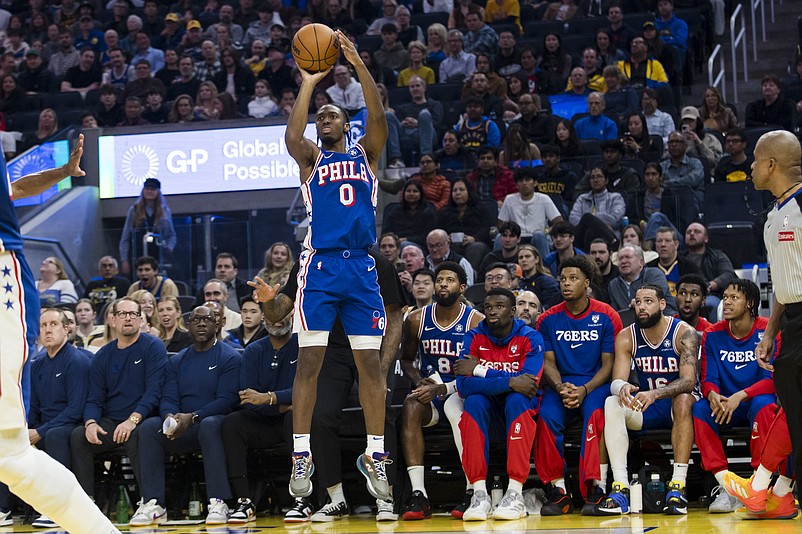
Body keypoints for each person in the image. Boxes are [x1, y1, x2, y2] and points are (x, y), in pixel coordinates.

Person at [252, 29, 391, 503]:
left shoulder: (367, 154)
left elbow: (377, 112)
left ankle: (375, 453)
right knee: (308, 360)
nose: (323, 121)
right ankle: (301, 454)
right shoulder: (310, 159)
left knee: (369, 364)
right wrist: (310, 84)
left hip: (362, 268)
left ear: (347, 125)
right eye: (320, 118)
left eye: (332, 115)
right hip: (321, 267)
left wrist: (356, 62)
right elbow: (291, 135)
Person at [252, 248, 404, 522]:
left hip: (370, 347)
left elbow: (394, 317)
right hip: (330, 350)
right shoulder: (308, 260)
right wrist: (267, 301)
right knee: (319, 416)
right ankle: (335, 497)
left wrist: (383, 366)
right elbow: (277, 313)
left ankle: (386, 496)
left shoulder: (376, 261)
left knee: (383, 412)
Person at [728, 130, 802, 516]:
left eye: (755, 161)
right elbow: (785, 281)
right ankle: (773, 491)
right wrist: (771, 330)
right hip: (792, 321)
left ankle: (762, 486)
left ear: (771, 165)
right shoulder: (774, 216)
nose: (750, 168)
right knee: (792, 408)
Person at [130, 305, 239, 527]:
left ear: (217, 324)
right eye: (196, 319)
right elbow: (168, 397)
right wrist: (170, 418)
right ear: (187, 325)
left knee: (210, 425)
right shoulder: (177, 361)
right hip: (183, 424)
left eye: (207, 320)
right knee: (150, 428)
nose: (201, 323)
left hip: (212, 422)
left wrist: (194, 416)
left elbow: (226, 401)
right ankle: (153, 503)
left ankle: (218, 501)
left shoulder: (230, 357)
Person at [596, 285, 698, 515]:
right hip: (646, 403)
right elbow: (616, 380)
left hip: (676, 406)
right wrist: (622, 387)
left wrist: (655, 394)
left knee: (683, 399)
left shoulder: (684, 333)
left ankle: (678, 487)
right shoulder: (626, 336)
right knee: (612, 402)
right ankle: (620, 488)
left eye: (648, 301)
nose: (641, 307)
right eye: (638, 302)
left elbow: (689, 382)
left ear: (662, 304)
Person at [534, 257, 622, 516]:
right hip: (561, 384)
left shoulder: (607, 315)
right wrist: (561, 387)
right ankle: (558, 490)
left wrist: (584, 390)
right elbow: (547, 361)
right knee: (546, 416)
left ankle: (595, 487)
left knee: (596, 415)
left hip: (595, 384)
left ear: (587, 283)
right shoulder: (548, 319)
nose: (566, 283)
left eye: (573, 278)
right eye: (563, 279)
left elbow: (609, 364)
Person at [399, 262, 483, 520]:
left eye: (450, 280)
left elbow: (476, 368)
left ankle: (472, 490)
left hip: (462, 389)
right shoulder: (416, 319)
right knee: (410, 405)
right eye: (440, 280)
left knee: (462, 411)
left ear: (462, 286)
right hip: (431, 392)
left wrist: (442, 388)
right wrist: (418, 380)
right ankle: (419, 495)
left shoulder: (475, 321)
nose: (443, 284)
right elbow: (406, 360)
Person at [452, 288, 544, 521]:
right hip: (489, 410)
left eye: (499, 307)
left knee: (517, 399)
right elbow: (464, 385)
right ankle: (479, 493)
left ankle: (515, 493)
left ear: (513, 311)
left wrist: (479, 370)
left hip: (519, 409)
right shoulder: (473, 336)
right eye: (488, 307)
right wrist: (511, 381)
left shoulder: (530, 337)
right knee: (473, 402)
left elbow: (529, 384)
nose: (492, 312)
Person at [693, 279, 780, 514]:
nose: (727, 302)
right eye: (725, 297)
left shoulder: (767, 332)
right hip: (725, 405)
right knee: (700, 408)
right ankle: (726, 487)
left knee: (765, 405)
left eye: (734, 298)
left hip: (751, 401)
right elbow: (708, 377)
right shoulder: (712, 334)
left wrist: (740, 396)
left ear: (750, 303)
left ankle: (757, 484)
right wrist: (712, 395)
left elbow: (770, 381)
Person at [220, 310, 298, 524]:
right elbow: (247, 397)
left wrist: (269, 398)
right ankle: (244, 500)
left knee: (297, 418)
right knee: (232, 422)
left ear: (292, 316)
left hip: (295, 423)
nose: (278, 319)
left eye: (283, 313)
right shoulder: (253, 350)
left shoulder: (304, 346)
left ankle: (303, 498)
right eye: (272, 314)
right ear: (264, 319)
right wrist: (280, 404)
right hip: (265, 421)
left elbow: (306, 392)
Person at [26, 308, 92, 528]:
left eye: (53, 324)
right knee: (10, 440)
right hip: (45, 425)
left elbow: (76, 409)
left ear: (67, 329)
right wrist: (26, 430)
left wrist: (40, 432)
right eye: (43, 326)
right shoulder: (37, 363)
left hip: (71, 424)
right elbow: (33, 405)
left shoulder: (76, 361)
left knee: (54, 436)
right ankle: (4, 509)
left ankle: (58, 508)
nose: (47, 330)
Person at [118, 178, 176, 275]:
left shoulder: (165, 211)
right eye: (147, 188)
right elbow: (125, 237)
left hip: (157, 257)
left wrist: (170, 247)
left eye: (153, 189)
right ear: (143, 191)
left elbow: (172, 235)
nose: (150, 191)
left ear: (158, 192)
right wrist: (124, 260)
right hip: (138, 256)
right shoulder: (134, 210)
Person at [682, 222, 736, 313]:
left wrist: (709, 286)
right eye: (688, 232)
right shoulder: (680, 258)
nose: (692, 234)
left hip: (711, 295)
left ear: (706, 238)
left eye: (697, 231)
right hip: (684, 295)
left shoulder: (717, 256)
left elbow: (728, 275)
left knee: (710, 304)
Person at [569, 167, 626, 251]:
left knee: (590, 228)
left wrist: (592, 222)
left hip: (606, 235)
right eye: (592, 177)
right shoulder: (582, 198)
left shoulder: (615, 197)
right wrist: (595, 222)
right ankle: (613, 242)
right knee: (587, 218)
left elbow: (615, 220)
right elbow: (573, 218)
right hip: (581, 237)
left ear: (606, 180)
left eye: (599, 176)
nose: (595, 180)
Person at [608, 244, 676, 314]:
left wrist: (639, 302)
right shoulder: (614, 284)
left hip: (664, 319)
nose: (623, 261)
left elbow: (655, 298)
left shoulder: (654, 274)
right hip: (630, 322)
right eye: (620, 258)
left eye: (628, 257)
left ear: (641, 262)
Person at [382, 179, 439, 248]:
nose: (411, 194)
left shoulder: (428, 211)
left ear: (421, 194)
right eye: (408, 191)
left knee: (404, 245)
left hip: (419, 245)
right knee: (374, 247)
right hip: (394, 243)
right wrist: (393, 240)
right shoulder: (395, 211)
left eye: (415, 191)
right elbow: (386, 232)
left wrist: (407, 239)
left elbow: (427, 237)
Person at [654, 227, 702, 297]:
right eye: (659, 241)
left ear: (676, 244)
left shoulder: (689, 266)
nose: (663, 244)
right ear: (655, 245)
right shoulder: (649, 268)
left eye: (667, 241)